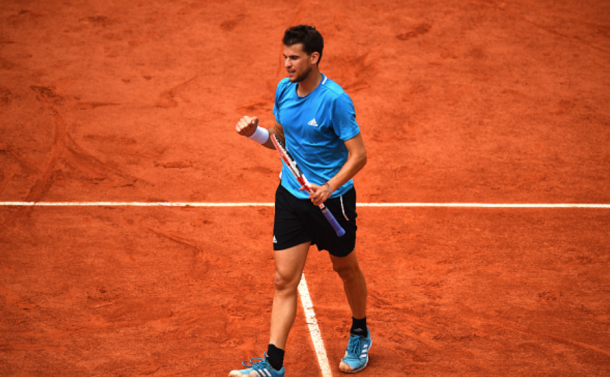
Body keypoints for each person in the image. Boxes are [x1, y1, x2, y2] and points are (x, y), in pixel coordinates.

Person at [231, 25, 370, 376]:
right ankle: (273, 365)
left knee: (345, 268)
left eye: (294, 58)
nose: (287, 65)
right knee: (283, 279)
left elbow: (358, 155)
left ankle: (359, 331)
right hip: (292, 196)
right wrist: (256, 134)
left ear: (314, 57)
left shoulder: (335, 100)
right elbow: (280, 139)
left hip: (331, 203)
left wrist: (329, 185)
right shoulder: (283, 90)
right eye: (285, 57)